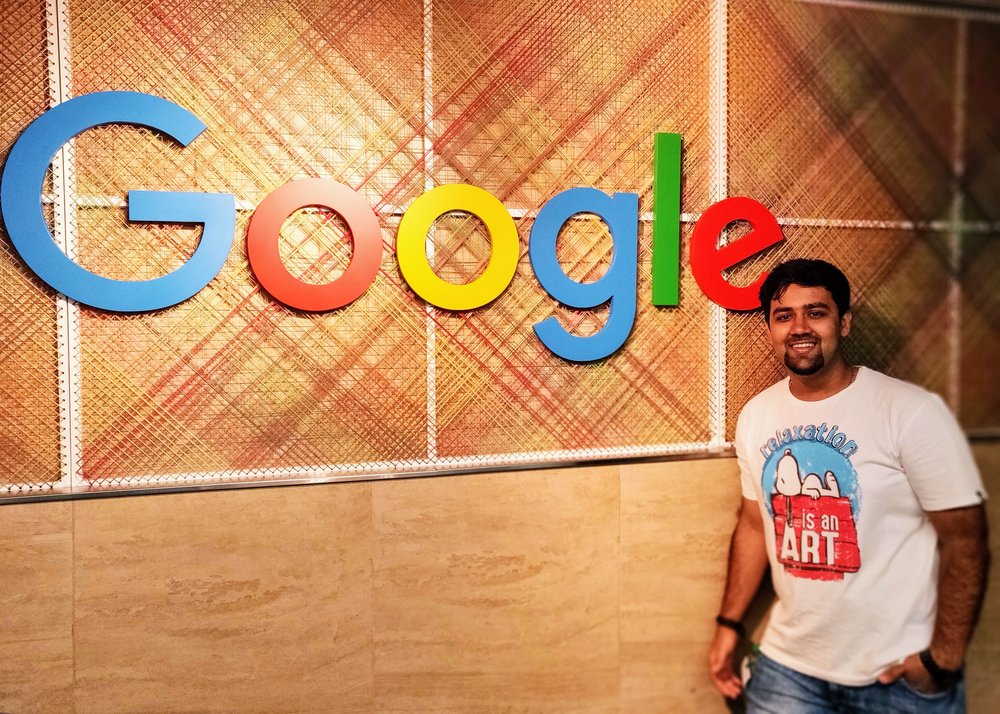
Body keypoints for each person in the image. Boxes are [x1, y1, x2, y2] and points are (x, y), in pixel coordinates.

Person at [708, 258, 989, 712]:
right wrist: (729, 623)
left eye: (816, 312)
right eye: (784, 316)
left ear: (845, 322)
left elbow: (966, 538)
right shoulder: (756, 415)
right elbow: (755, 527)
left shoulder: (910, 411)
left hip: (896, 676)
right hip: (789, 668)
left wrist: (941, 661)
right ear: (770, 330)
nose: (800, 327)